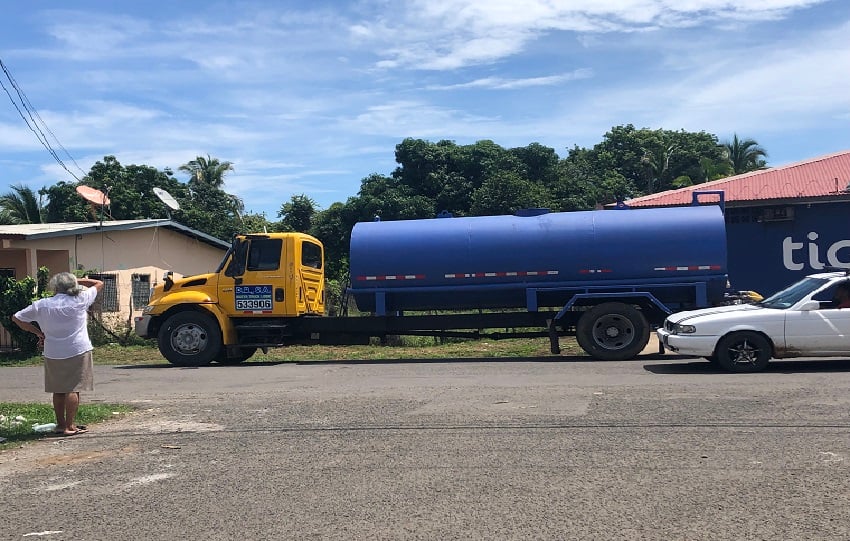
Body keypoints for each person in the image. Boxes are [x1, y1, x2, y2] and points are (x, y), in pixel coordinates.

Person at [12, 272, 103, 436]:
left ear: (54, 287)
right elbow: (98, 284)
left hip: (53, 351)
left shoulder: (42, 304)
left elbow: (17, 318)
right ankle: (70, 426)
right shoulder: (80, 299)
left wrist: (38, 333)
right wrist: (77, 280)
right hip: (77, 349)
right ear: (73, 286)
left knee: (58, 389)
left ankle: (61, 425)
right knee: (73, 389)